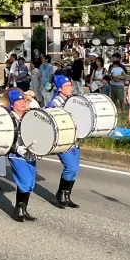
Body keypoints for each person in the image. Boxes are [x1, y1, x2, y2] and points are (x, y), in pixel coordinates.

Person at [47, 75, 80, 209]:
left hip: (75, 139)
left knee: (75, 169)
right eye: (67, 86)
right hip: (63, 139)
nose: (70, 88)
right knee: (70, 167)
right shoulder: (54, 103)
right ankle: (61, 193)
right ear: (60, 89)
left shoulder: (74, 100)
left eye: (70, 85)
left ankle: (67, 195)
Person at [5, 88, 37, 222]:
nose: (22, 103)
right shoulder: (9, 118)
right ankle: (18, 210)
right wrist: (15, 148)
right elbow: (5, 138)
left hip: (30, 153)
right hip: (16, 154)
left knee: (30, 183)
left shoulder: (29, 115)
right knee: (24, 181)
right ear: (13, 104)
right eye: (19, 101)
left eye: (23, 100)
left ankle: (23, 209)